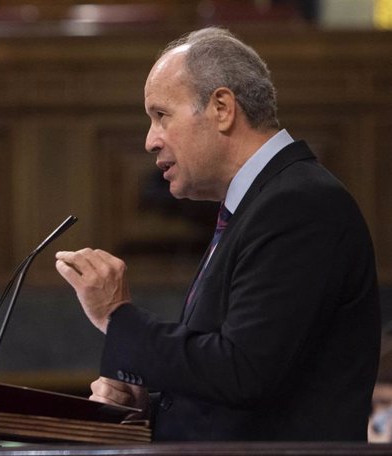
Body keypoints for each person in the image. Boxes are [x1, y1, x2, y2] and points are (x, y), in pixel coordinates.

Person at [55, 27, 380, 441]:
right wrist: (150, 408)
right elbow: (250, 388)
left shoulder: (299, 204)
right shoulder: (261, 203)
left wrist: (118, 317)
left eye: (161, 116)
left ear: (222, 107)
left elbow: (243, 370)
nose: (150, 141)